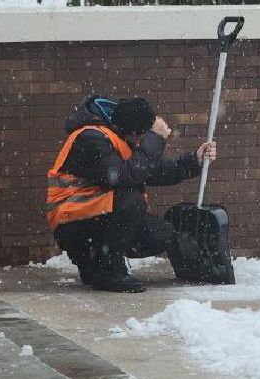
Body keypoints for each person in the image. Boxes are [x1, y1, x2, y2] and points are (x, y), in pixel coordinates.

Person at [46, 95, 216, 293]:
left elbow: (152, 170)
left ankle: (95, 266)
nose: (141, 143)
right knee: (129, 198)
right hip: (71, 222)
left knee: (161, 233)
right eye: (142, 137)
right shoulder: (90, 138)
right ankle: (109, 271)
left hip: (88, 220)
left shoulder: (117, 136)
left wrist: (194, 161)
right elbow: (122, 176)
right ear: (134, 132)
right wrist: (155, 139)